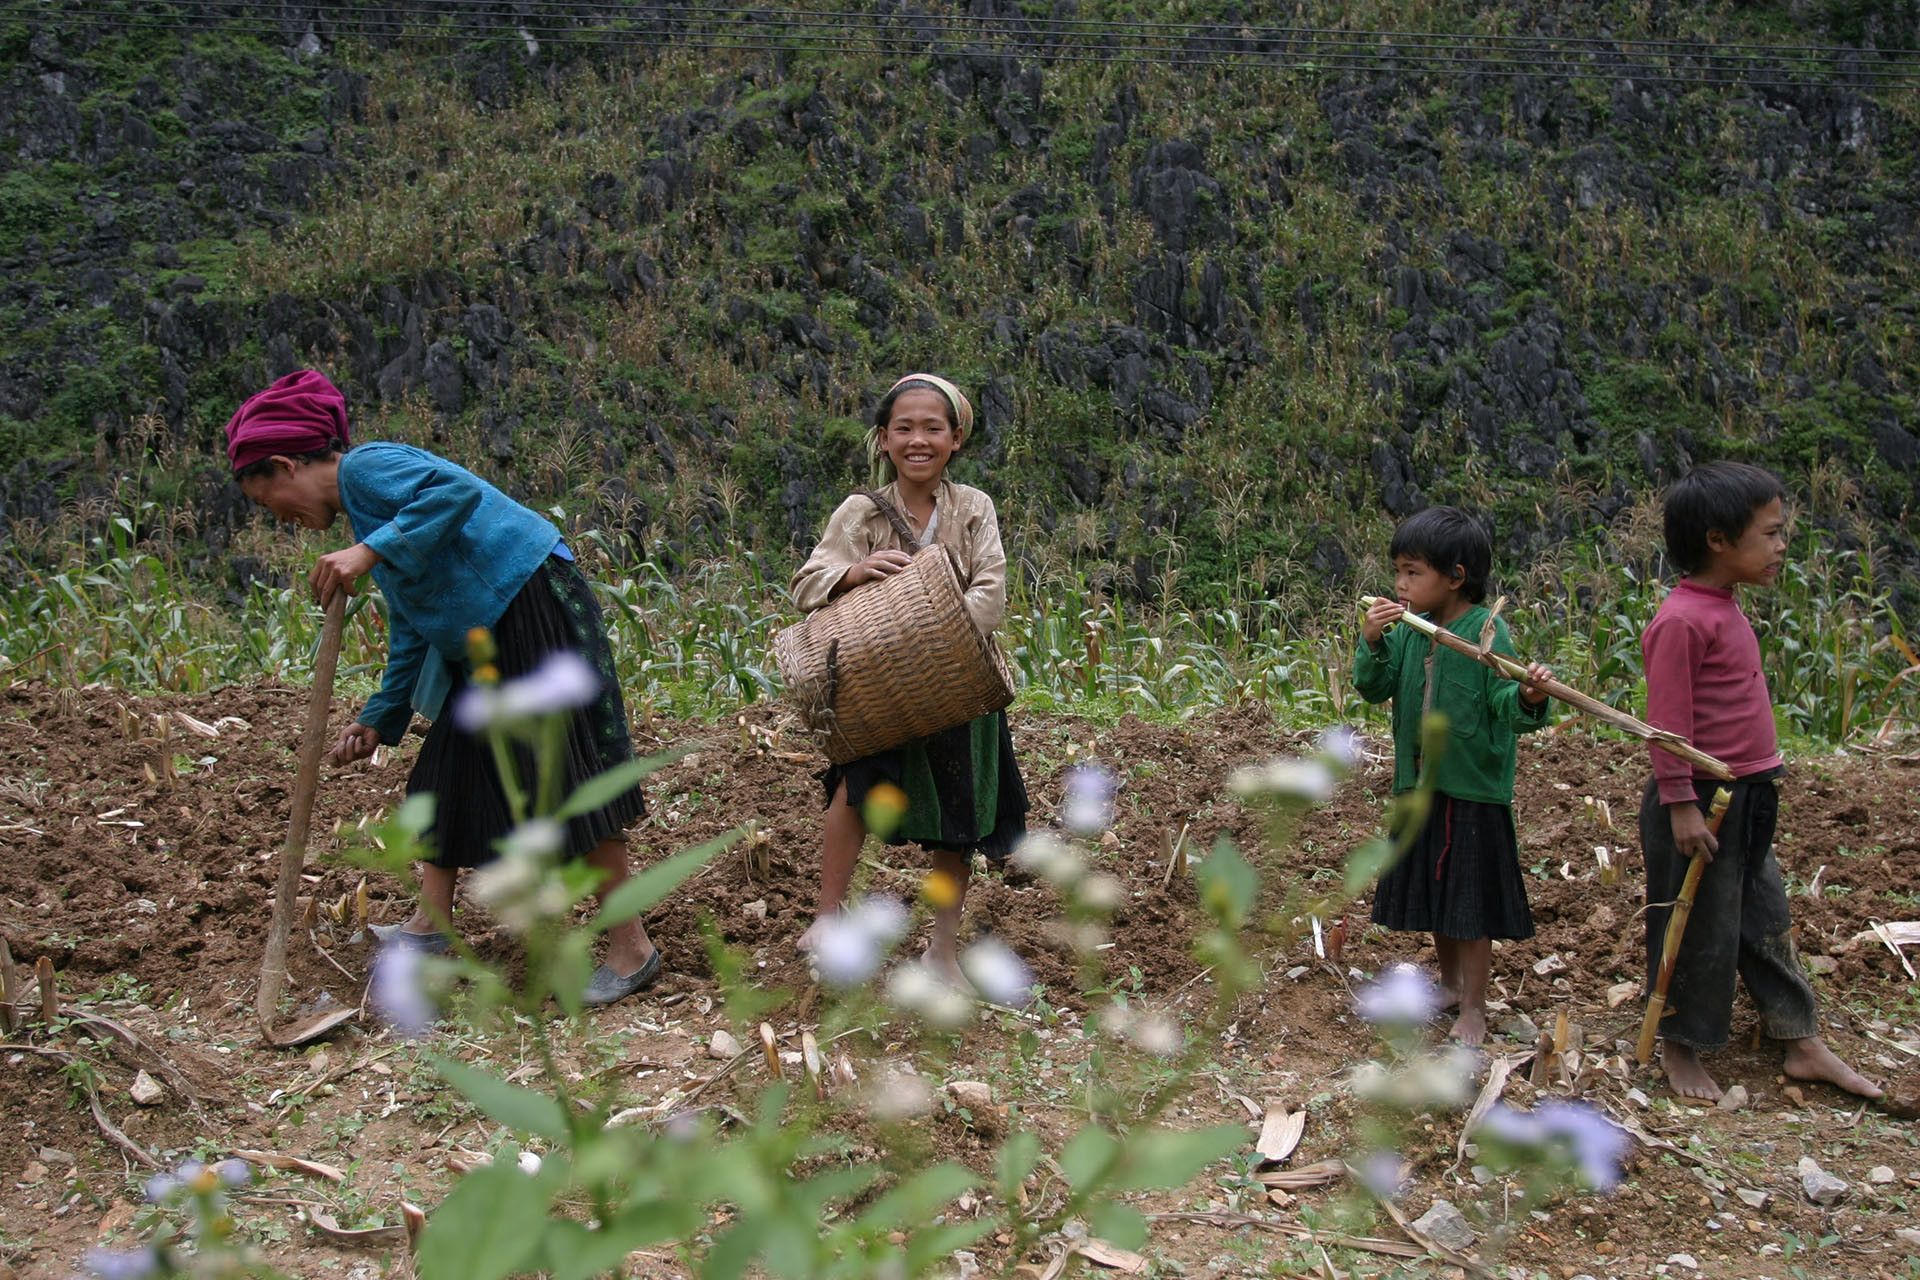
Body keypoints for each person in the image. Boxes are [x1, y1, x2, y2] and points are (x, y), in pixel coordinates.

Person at [226, 369, 662, 1006]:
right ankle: (431, 928)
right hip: (486, 633)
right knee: (446, 771)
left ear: (288, 465)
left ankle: (632, 949)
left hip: (528, 603)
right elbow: (414, 621)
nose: (284, 520)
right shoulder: (364, 520)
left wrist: (369, 553)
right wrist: (381, 714)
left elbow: (453, 489)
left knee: (565, 773)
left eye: (271, 502)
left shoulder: (367, 469)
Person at [1639, 461, 1880, 1101]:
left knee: (1765, 915)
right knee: (1696, 924)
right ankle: (1681, 1045)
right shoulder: (1682, 621)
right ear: (1719, 540)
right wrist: (1681, 807)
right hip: (1700, 803)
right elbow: (1666, 729)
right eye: (1771, 534)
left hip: (1748, 795)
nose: (1781, 547)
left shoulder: (1722, 607)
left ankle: (1799, 1039)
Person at [789, 373, 1030, 985]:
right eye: (904, 428)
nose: (917, 440)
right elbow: (806, 583)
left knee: (959, 811)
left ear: (955, 439)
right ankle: (828, 914)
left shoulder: (973, 508)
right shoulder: (860, 513)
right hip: (876, 684)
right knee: (853, 789)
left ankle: (942, 948)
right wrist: (855, 572)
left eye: (932, 428)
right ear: (883, 439)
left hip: (960, 683)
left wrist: (933, 638)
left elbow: (992, 593)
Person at [1355, 506, 1553, 1046]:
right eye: (1397, 571)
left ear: (1456, 577)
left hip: (1472, 792)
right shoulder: (1410, 633)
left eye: (1412, 573)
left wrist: (1530, 694)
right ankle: (1447, 984)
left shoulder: (1486, 632)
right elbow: (1374, 688)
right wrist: (1373, 642)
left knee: (1469, 903)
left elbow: (1505, 703)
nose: (1399, 584)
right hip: (1419, 787)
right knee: (1439, 895)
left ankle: (1474, 1007)